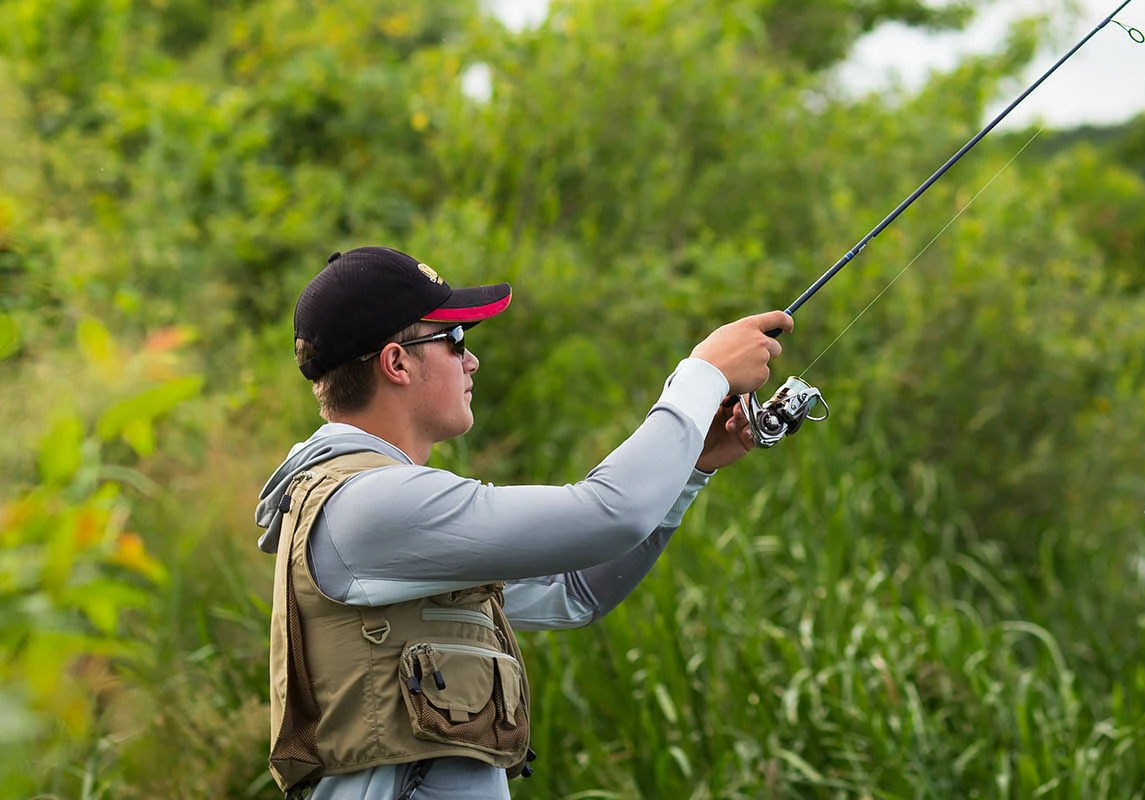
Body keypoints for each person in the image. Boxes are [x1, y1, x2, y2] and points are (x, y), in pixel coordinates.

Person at [252, 246, 793, 799]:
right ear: (396, 363)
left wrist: (692, 466)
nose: (472, 361)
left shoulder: (377, 509)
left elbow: (575, 591)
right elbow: (609, 512)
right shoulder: (367, 505)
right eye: (454, 339)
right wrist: (701, 375)